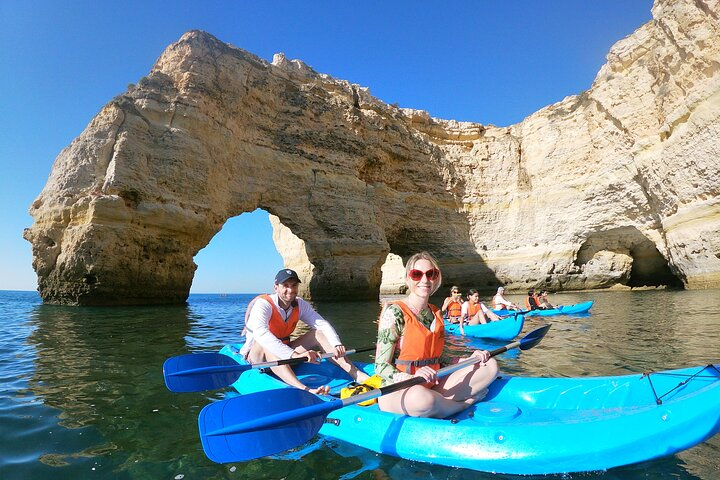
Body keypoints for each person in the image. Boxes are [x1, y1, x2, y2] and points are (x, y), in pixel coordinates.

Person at [374, 252, 498, 418]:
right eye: (416, 274)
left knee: (490, 365)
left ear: (436, 278)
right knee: (421, 399)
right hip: (398, 390)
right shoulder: (394, 312)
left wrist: (468, 359)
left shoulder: (435, 313)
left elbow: (438, 360)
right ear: (408, 279)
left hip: (432, 383)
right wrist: (411, 377)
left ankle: (439, 403)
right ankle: (461, 404)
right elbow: (380, 366)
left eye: (431, 274)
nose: (424, 280)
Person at [240, 268, 368, 394]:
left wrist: (336, 343)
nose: (290, 290)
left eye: (294, 285)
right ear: (276, 287)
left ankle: (356, 374)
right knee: (267, 344)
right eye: (285, 285)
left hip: (285, 353)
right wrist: (295, 355)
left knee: (317, 333)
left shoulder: (300, 304)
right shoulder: (263, 305)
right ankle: (304, 389)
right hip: (258, 358)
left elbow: (321, 324)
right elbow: (262, 334)